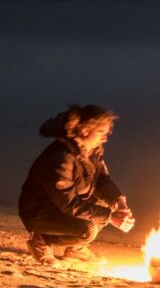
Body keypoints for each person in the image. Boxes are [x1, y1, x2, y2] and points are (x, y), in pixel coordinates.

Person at [18, 105, 135, 265]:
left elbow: (101, 179)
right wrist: (110, 217)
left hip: (63, 206)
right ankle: (42, 240)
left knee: (105, 205)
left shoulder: (91, 150)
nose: (105, 138)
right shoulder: (61, 157)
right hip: (40, 211)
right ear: (85, 131)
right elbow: (69, 203)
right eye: (101, 132)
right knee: (88, 229)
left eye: (107, 132)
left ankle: (75, 248)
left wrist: (119, 202)